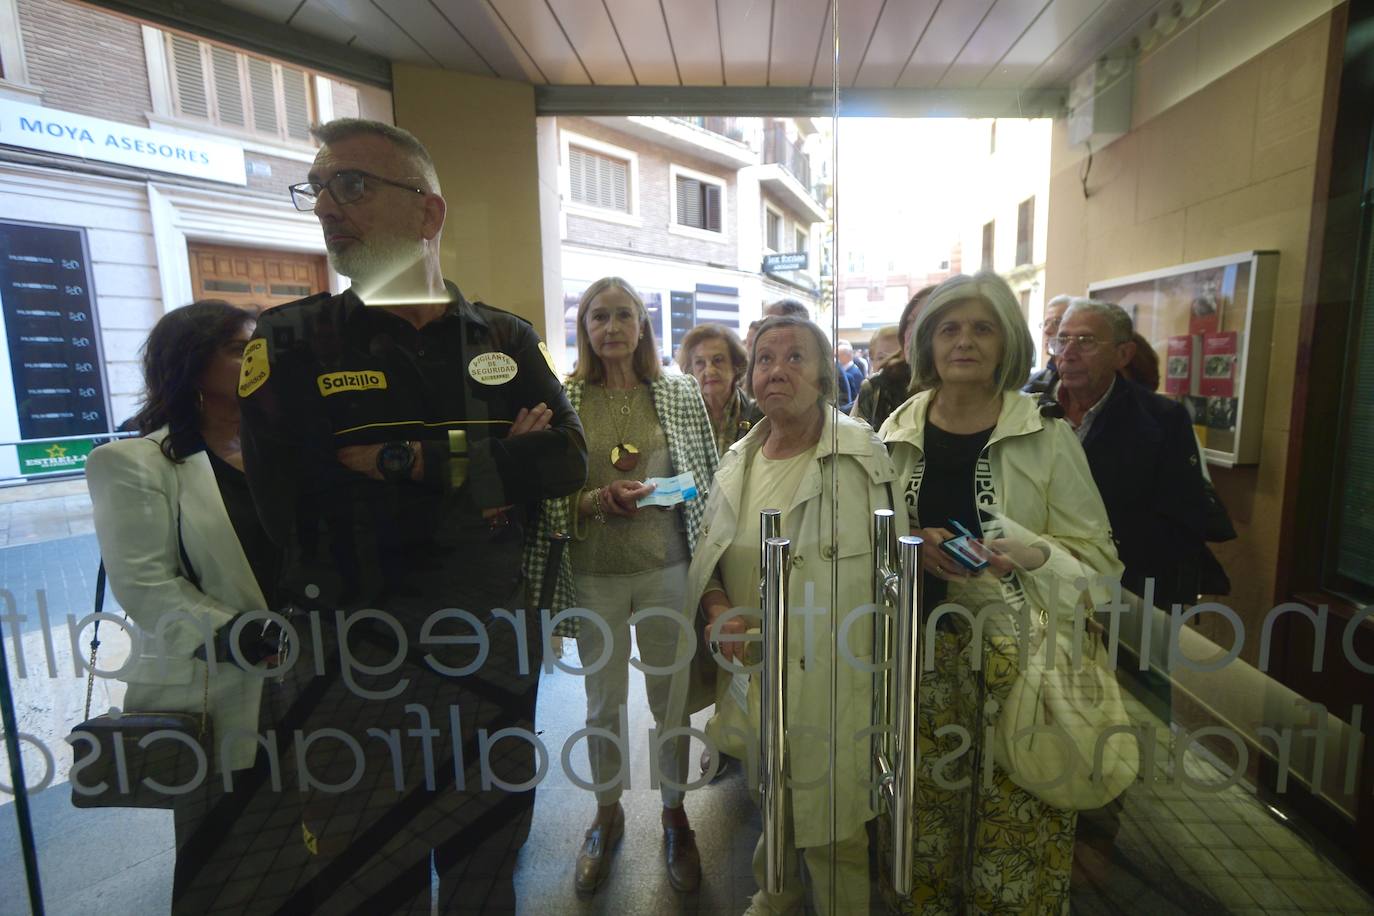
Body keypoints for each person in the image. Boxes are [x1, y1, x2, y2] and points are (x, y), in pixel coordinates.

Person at [238, 117, 588, 912]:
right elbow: (295, 516)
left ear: (428, 213)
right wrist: (500, 462)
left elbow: (567, 459)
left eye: (351, 185)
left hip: (488, 653)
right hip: (353, 667)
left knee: (483, 865)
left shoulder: (502, 336)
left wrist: (417, 461)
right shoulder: (294, 343)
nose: (327, 205)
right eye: (317, 188)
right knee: (367, 879)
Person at [878, 273, 1122, 914]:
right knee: (924, 832)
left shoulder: (1046, 435)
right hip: (919, 662)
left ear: (1007, 340)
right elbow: (864, 543)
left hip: (1026, 666)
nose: (965, 341)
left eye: (982, 327)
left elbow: (1100, 562)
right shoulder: (896, 430)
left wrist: (1031, 554)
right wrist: (911, 546)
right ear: (928, 342)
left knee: (1019, 834)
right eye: (951, 328)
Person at [674, 315, 897, 915]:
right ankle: (776, 891)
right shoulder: (738, 460)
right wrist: (718, 606)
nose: (777, 370)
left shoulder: (862, 456)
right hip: (756, 666)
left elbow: (890, 574)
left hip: (834, 668)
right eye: (765, 358)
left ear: (826, 375)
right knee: (770, 790)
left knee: (835, 814)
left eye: (795, 357)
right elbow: (712, 553)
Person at [86, 300, 282, 914]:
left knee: (304, 839)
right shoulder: (138, 462)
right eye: (236, 349)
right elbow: (145, 582)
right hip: (220, 682)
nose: (255, 359)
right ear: (192, 366)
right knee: (227, 854)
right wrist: (232, 635)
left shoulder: (283, 450)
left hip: (312, 672)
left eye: (258, 346)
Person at [525, 277, 718, 896]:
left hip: (667, 568)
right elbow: (548, 492)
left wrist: (663, 492)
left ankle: (674, 813)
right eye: (598, 317)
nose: (611, 328)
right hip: (593, 572)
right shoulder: (565, 398)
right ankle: (605, 815)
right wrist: (594, 501)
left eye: (623, 316)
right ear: (584, 329)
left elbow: (704, 481)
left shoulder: (678, 392)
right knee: (601, 704)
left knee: (671, 700)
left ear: (643, 326)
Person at [1051, 300, 1205, 614]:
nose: (1068, 352)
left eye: (1086, 341)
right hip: (1042, 579)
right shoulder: (1030, 409)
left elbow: (1181, 519)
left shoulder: (1160, 421)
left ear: (1124, 354)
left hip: (1125, 590)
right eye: (1062, 339)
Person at [851, 286, 934, 430]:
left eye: (925, 321)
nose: (912, 332)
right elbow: (854, 445)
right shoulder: (879, 388)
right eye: (910, 321)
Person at [678, 322, 761, 455]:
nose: (709, 371)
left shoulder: (759, 415)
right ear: (691, 370)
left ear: (736, 365)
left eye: (718, 360)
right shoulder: (678, 418)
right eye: (700, 362)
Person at [1024, 292, 1072, 394]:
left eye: (1057, 322)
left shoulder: (1085, 380)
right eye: (1046, 323)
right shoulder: (1033, 382)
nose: (1047, 330)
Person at [835, 339, 864, 413]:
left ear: (847, 356)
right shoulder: (843, 370)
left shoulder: (855, 373)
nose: (835, 359)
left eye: (837, 356)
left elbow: (857, 398)